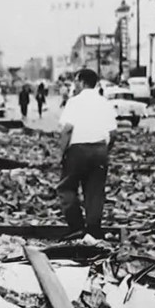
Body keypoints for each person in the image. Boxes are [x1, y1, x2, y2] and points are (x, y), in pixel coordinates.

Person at [57, 68, 118, 241]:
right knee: (95, 192)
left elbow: (67, 129)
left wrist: (62, 153)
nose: (74, 84)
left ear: (82, 82)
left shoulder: (74, 102)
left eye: (76, 81)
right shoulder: (105, 102)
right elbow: (113, 133)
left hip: (78, 150)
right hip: (100, 149)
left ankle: (76, 226)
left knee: (66, 187)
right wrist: (106, 150)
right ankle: (93, 230)